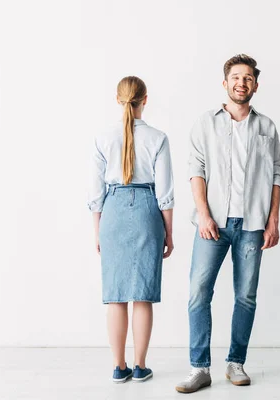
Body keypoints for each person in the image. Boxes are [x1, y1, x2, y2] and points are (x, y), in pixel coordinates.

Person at [175, 54, 280, 394]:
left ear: (255, 85)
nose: (242, 83)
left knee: (246, 296)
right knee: (198, 294)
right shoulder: (205, 123)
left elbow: (276, 175)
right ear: (225, 83)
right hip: (213, 224)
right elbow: (196, 169)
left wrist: (273, 220)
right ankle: (199, 368)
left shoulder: (267, 127)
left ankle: (236, 363)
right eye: (236, 77)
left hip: (252, 224)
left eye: (248, 78)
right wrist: (204, 214)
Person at [88, 76, 175, 383]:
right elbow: (165, 193)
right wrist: (169, 232)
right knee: (142, 295)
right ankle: (140, 366)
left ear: (118, 100)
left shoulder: (102, 138)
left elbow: (95, 193)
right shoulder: (158, 138)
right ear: (145, 100)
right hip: (146, 211)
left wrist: (97, 231)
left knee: (116, 295)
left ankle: (118, 365)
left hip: (112, 211)